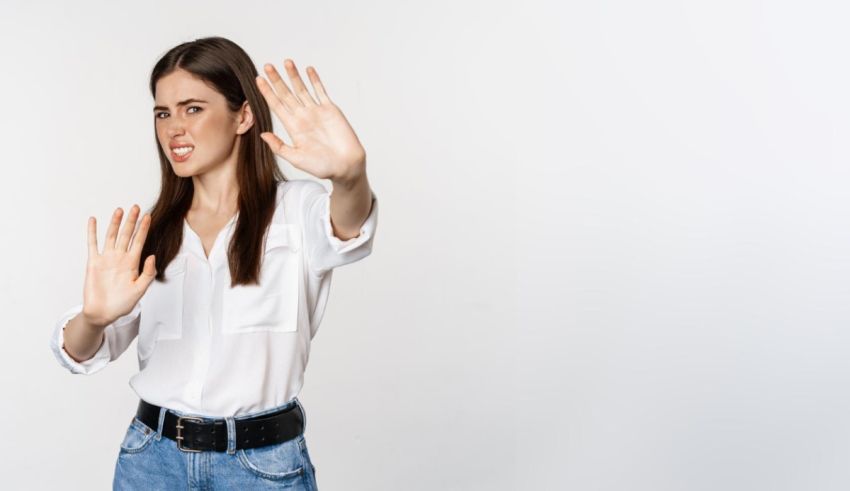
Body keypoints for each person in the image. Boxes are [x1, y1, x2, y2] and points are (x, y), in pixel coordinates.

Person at [47, 36, 378, 490]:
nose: (173, 128)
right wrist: (94, 317)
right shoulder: (152, 232)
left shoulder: (297, 211)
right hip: (151, 463)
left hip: (262, 468)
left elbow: (349, 224)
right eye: (163, 113)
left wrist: (351, 174)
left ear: (243, 115)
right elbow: (81, 352)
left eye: (193, 108)